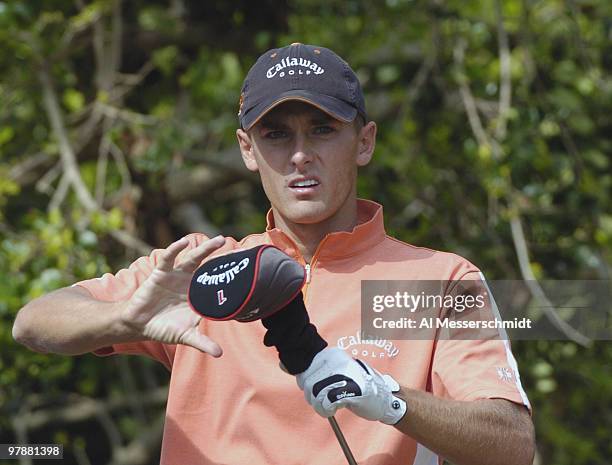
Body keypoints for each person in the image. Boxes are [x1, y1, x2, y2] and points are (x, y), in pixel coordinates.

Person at [13, 43, 535, 465]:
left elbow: (510, 443)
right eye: (276, 135)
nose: (300, 155)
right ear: (247, 149)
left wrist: (385, 397)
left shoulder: (439, 279)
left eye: (323, 129)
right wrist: (124, 318)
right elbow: (34, 322)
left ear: (364, 142)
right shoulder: (202, 269)